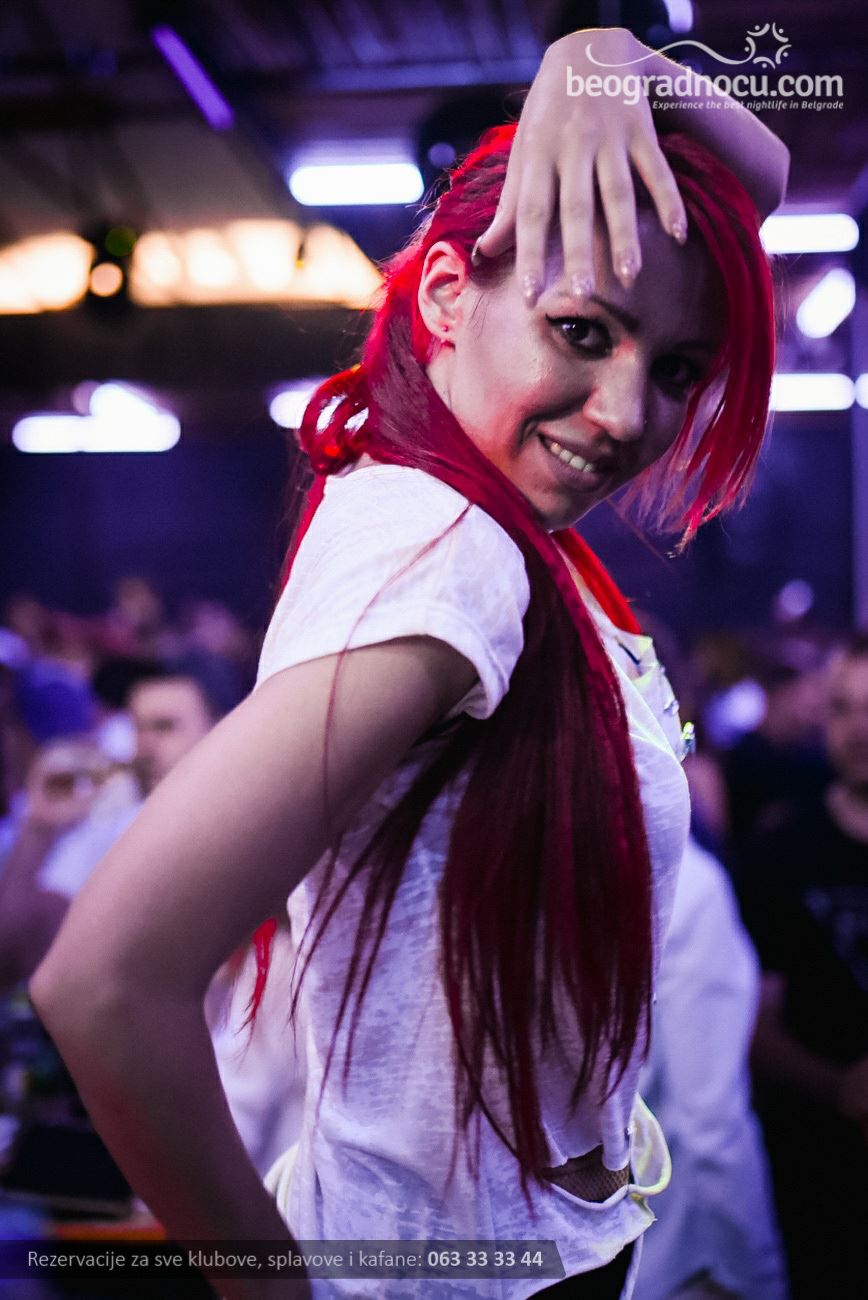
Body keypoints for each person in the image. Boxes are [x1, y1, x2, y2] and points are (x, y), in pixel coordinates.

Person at [28, 27, 787, 1300]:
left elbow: (759, 177)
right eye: (579, 330)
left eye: (674, 369)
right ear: (443, 296)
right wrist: (266, 1287)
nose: (626, 414)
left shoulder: (458, 511)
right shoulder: (452, 548)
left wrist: (605, 63)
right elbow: (107, 982)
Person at [736, 634, 868, 1297]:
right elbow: (750, 1025)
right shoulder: (781, 851)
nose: (859, 730)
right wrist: (840, 1087)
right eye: (844, 708)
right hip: (819, 1176)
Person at [634, 837, 788, 1300]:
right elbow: (711, 1123)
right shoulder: (680, 880)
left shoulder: (482, 859)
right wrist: (760, 1278)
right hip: (656, 1260)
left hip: (513, 1256)